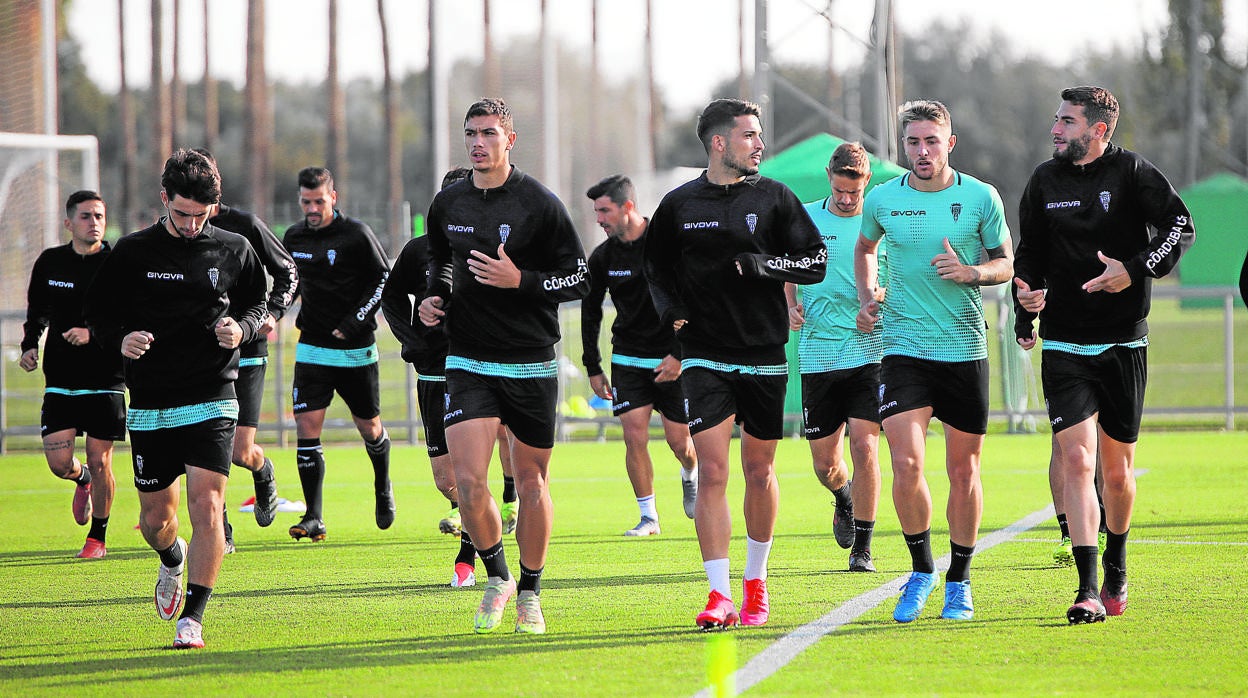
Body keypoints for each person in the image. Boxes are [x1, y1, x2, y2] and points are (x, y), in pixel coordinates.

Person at [1013, 85, 1194, 624]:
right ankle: (1087, 588)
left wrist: (1132, 269)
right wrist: (1026, 305)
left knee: (1116, 474)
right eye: (1056, 119)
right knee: (1077, 460)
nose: (1056, 129)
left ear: (1098, 130)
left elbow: (1180, 228)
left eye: (1067, 122)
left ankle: (1116, 564)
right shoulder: (1043, 181)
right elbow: (1031, 253)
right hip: (1065, 342)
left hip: (1123, 342)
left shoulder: (1134, 172)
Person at [644, 98, 826, 630]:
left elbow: (814, 262)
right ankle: (718, 594)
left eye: (759, 135)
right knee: (714, 471)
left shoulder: (775, 198)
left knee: (759, 469)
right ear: (719, 142)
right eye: (749, 135)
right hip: (705, 356)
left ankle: (756, 582)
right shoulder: (678, 204)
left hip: (765, 354)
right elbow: (655, 269)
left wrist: (766, 265)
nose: (759, 145)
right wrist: (672, 314)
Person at [84, 149, 268, 649]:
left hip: (214, 393)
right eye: (182, 212)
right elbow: (98, 314)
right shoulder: (132, 252)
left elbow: (259, 301)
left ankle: (195, 618)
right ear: (164, 199)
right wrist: (118, 340)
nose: (191, 225)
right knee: (154, 521)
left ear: (215, 205)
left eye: (201, 215)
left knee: (207, 505)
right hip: (150, 401)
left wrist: (243, 327)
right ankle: (171, 558)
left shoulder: (235, 248)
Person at [418, 98, 590, 634]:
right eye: (471, 133)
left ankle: (532, 591)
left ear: (509, 139)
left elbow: (579, 278)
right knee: (468, 480)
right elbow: (439, 262)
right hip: (468, 358)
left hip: (531, 361)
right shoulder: (449, 203)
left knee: (532, 480)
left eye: (489, 133)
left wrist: (523, 282)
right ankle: (497, 576)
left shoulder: (539, 204)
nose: (478, 142)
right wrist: (432, 298)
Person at [854, 100, 1014, 623]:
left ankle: (960, 579)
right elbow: (864, 247)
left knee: (963, 469)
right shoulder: (881, 199)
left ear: (951, 142)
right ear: (903, 146)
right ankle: (921, 569)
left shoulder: (980, 197)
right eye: (913, 142)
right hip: (903, 349)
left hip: (964, 350)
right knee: (905, 462)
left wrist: (973, 273)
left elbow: (1006, 264)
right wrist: (867, 295)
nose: (922, 152)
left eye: (931, 141)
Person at [384, 166, 518, 589]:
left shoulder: (490, 251)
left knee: (474, 470)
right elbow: (390, 298)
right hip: (431, 375)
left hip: (475, 371)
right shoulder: (418, 250)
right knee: (447, 480)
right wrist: (411, 340)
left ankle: (476, 555)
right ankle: (485, 528)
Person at [581, 174, 699, 537]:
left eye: (605, 210)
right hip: (628, 359)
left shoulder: (663, 244)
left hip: (670, 360)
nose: (599, 218)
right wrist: (593, 366)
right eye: (596, 211)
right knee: (634, 436)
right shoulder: (602, 256)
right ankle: (649, 517)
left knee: (681, 443)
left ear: (627, 207)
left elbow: (692, 297)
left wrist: (679, 355)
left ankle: (690, 472)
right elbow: (591, 310)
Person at [783, 142, 882, 573]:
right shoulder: (804, 216)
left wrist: (875, 302)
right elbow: (786, 266)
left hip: (868, 351)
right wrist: (790, 303)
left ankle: (863, 547)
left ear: (867, 183)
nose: (846, 199)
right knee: (826, 464)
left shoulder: (877, 219)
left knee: (864, 445)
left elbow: (894, 276)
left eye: (854, 192)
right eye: (840, 190)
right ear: (829, 175)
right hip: (818, 355)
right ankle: (843, 497)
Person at [193, 148, 298, 552]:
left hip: (249, 348)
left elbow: (287, 269)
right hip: (203, 356)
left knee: (239, 451)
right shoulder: (175, 233)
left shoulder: (245, 227)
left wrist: (273, 311)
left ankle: (263, 467)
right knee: (205, 447)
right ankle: (220, 530)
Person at [282, 166, 392, 542]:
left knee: (370, 428)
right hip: (312, 347)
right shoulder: (293, 236)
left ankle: (382, 486)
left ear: (334, 197)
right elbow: (291, 282)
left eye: (318, 201)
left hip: (355, 351)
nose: (311, 208)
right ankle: (314, 516)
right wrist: (275, 312)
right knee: (307, 427)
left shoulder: (356, 234)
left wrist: (354, 322)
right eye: (305, 201)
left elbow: (384, 279)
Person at [20, 190, 125, 559]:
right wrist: (29, 345)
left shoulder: (117, 264)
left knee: (100, 460)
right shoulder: (51, 263)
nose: (94, 222)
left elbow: (129, 317)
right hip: (61, 379)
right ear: (69, 223)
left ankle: (97, 538)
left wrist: (92, 334)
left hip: (106, 377)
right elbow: (38, 311)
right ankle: (81, 480)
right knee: (60, 464)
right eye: (85, 216)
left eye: (99, 215)